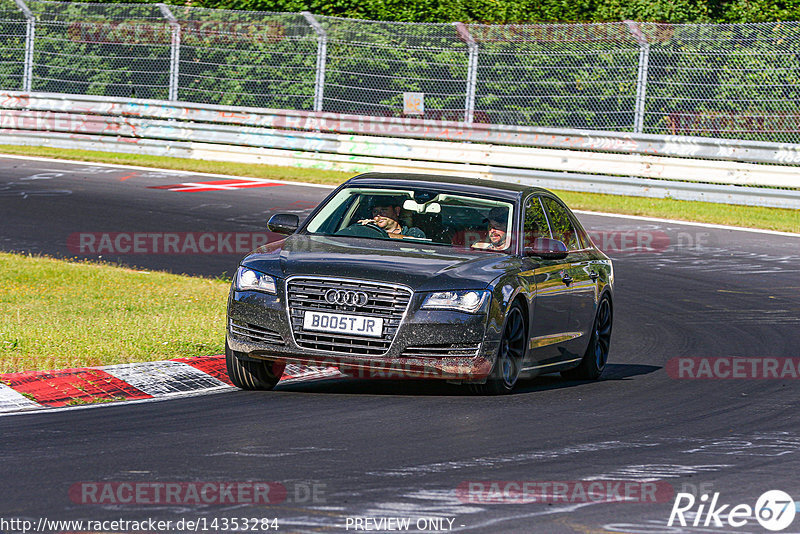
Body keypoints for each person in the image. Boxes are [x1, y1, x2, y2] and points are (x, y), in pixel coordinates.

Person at [359, 196, 426, 239]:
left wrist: (380, 234)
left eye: (384, 210)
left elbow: (414, 242)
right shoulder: (369, 231)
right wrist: (364, 229)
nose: (378, 214)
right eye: (375, 211)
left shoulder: (413, 232)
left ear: (397, 211)